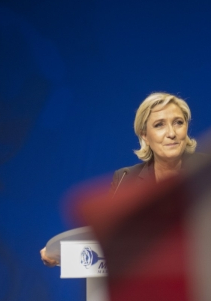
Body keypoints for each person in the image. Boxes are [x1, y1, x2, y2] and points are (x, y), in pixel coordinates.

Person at [40, 91, 197, 266]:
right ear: (144, 135)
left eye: (178, 123)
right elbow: (110, 243)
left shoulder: (210, 170)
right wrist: (62, 256)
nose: (171, 133)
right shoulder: (125, 179)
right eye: (159, 125)